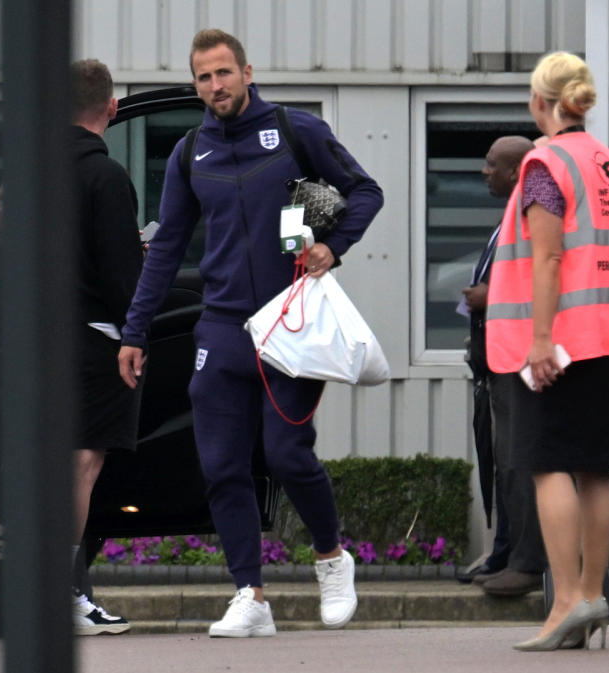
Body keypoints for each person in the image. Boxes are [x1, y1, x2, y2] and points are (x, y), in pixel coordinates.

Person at [117, 29, 382, 638]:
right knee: (220, 465)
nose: (216, 86)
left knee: (288, 455)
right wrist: (135, 331)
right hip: (222, 327)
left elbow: (366, 191)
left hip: (290, 322)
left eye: (224, 74)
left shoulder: (295, 131)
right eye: (204, 78)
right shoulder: (190, 153)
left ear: (247, 72)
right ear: (196, 84)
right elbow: (165, 251)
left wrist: (331, 248)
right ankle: (250, 595)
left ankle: (329, 556)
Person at [486, 51, 609, 651]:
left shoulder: (543, 165)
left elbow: (549, 257)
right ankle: (591, 594)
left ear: (540, 102)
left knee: (548, 463)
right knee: (596, 466)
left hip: (559, 342)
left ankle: (564, 604)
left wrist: (537, 338)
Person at [66, 59, 144, 636]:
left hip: (27, 339)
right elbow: (122, 276)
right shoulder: (107, 177)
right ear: (112, 108)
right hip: (92, 343)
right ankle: (65, 594)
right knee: (81, 465)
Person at [459, 136, 546, 597]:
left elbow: (543, 278)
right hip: (497, 361)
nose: (483, 171)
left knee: (519, 463)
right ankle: (508, 554)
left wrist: (487, 297)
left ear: (515, 171)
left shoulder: (534, 215)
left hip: (519, 359)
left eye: (492, 164)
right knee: (503, 463)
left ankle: (528, 562)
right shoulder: (510, 216)